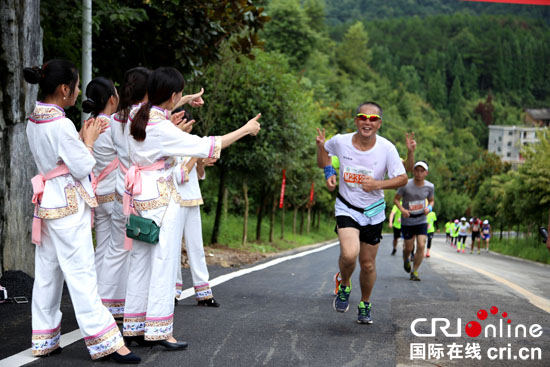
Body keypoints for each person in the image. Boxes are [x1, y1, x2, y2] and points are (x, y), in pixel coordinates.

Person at [123, 67, 260, 348]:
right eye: (180, 93)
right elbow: (209, 145)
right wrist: (246, 129)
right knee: (163, 263)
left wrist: (185, 100)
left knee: (140, 263)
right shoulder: (161, 128)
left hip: (139, 197)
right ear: (172, 95)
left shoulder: (136, 117)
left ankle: (134, 327)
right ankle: (160, 330)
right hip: (163, 200)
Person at [24, 60, 140, 363]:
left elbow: (59, 159)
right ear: (64, 89)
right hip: (68, 204)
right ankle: (106, 342)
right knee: (81, 273)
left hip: (46, 202)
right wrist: (87, 142)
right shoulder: (60, 124)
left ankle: (44, 337)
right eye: (75, 87)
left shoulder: (34, 118)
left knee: (48, 273)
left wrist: (82, 140)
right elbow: (83, 166)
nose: (77, 92)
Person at [316, 101, 407, 324]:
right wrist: (328, 168)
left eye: (373, 119)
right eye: (362, 117)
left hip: (373, 212)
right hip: (347, 206)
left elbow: (402, 178)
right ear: (356, 120)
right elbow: (324, 158)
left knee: (367, 264)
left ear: (379, 124)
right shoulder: (340, 141)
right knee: (349, 254)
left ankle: (365, 303)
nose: (367, 122)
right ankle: (345, 284)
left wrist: (377, 184)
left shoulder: (387, 148)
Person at [97, 67, 151, 319]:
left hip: (121, 193)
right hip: (141, 196)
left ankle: (105, 306)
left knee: (115, 251)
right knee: (141, 256)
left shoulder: (116, 119)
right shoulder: (143, 121)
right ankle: (136, 311)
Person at [171, 108, 220, 307]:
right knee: (173, 249)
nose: (189, 128)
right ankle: (172, 291)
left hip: (193, 198)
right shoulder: (170, 143)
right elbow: (181, 174)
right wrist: (195, 155)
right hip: (174, 200)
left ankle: (204, 292)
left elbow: (198, 174)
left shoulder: (194, 141)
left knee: (196, 247)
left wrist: (200, 162)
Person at [82, 77, 119, 274]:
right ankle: (114, 297)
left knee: (102, 248)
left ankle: (98, 295)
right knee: (119, 250)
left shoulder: (87, 126)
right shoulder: (114, 126)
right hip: (115, 195)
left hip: (97, 196)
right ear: (112, 99)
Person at [394, 161, 435, 281]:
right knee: (408, 247)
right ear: (413, 171)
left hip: (421, 219)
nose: (419, 173)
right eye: (417, 170)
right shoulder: (405, 184)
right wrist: (402, 210)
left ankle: (415, 271)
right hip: (408, 220)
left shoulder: (430, 186)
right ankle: (406, 258)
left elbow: (431, 200)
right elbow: (396, 199)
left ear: (426, 173)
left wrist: (429, 208)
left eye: (422, 171)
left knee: (422, 245)